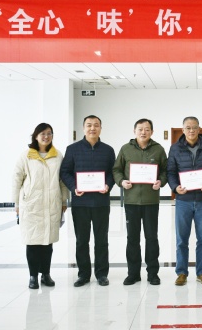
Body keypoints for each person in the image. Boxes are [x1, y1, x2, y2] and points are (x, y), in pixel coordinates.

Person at [59, 115, 115, 287]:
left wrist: (108, 184)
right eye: (89, 125)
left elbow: (113, 172)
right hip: (80, 203)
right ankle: (83, 274)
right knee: (82, 240)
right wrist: (74, 186)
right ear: (83, 128)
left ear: (100, 128)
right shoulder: (72, 149)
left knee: (101, 240)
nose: (92, 128)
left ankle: (101, 274)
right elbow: (65, 172)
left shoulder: (108, 150)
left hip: (101, 202)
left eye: (96, 125)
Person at [12, 123, 69, 289]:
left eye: (49, 133)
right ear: (36, 136)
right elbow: (16, 179)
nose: (46, 136)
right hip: (32, 205)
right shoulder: (26, 156)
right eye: (43, 134)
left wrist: (64, 200)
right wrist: (16, 203)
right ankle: (32, 276)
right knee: (32, 242)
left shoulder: (57, 155)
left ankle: (46, 274)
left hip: (51, 204)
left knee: (47, 243)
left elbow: (62, 180)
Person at [113, 118, 168, 286]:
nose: (143, 132)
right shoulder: (126, 149)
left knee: (151, 238)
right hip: (131, 201)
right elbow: (116, 169)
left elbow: (166, 170)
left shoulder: (158, 149)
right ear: (134, 131)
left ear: (152, 131)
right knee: (132, 238)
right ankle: (133, 273)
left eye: (147, 129)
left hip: (151, 201)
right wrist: (122, 182)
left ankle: (153, 273)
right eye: (140, 129)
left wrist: (161, 181)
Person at [167, 116, 202, 286]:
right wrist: (175, 187)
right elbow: (170, 172)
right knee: (181, 239)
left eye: (194, 127)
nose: (191, 130)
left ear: (199, 129)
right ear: (183, 130)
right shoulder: (175, 148)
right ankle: (181, 272)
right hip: (183, 200)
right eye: (188, 128)